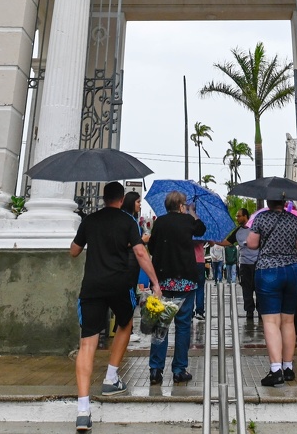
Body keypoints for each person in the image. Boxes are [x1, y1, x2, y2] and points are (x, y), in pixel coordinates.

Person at [70, 181, 161, 432]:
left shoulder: (89, 220)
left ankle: (82, 410)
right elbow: (141, 254)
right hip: (120, 285)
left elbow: (74, 252)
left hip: (92, 286)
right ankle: (111, 378)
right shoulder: (128, 222)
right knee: (125, 323)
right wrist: (155, 282)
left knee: (87, 343)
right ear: (121, 200)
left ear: (103, 198)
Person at [146, 191, 205, 386]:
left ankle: (155, 369)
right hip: (185, 280)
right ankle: (179, 369)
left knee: (160, 325)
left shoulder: (160, 222)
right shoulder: (188, 220)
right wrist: (192, 212)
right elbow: (201, 229)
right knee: (183, 325)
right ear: (181, 206)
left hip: (162, 281)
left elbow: (152, 248)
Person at [247, 198, 297, 387]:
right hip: (293, 270)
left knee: (271, 321)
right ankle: (288, 367)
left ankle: (275, 370)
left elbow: (252, 244)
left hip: (269, 270)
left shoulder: (261, 218)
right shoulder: (294, 219)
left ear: (268, 201)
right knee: (288, 320)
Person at [233, 207, 258, 323]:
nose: (237, 218)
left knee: (260, 288)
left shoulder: (255, 229)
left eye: (239, 216)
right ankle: (249, 311)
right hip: (244, 264)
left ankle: (262, 311)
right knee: (246, 289)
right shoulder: (237, 232)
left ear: (245, 216)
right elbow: (227, 242)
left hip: (257, 263)